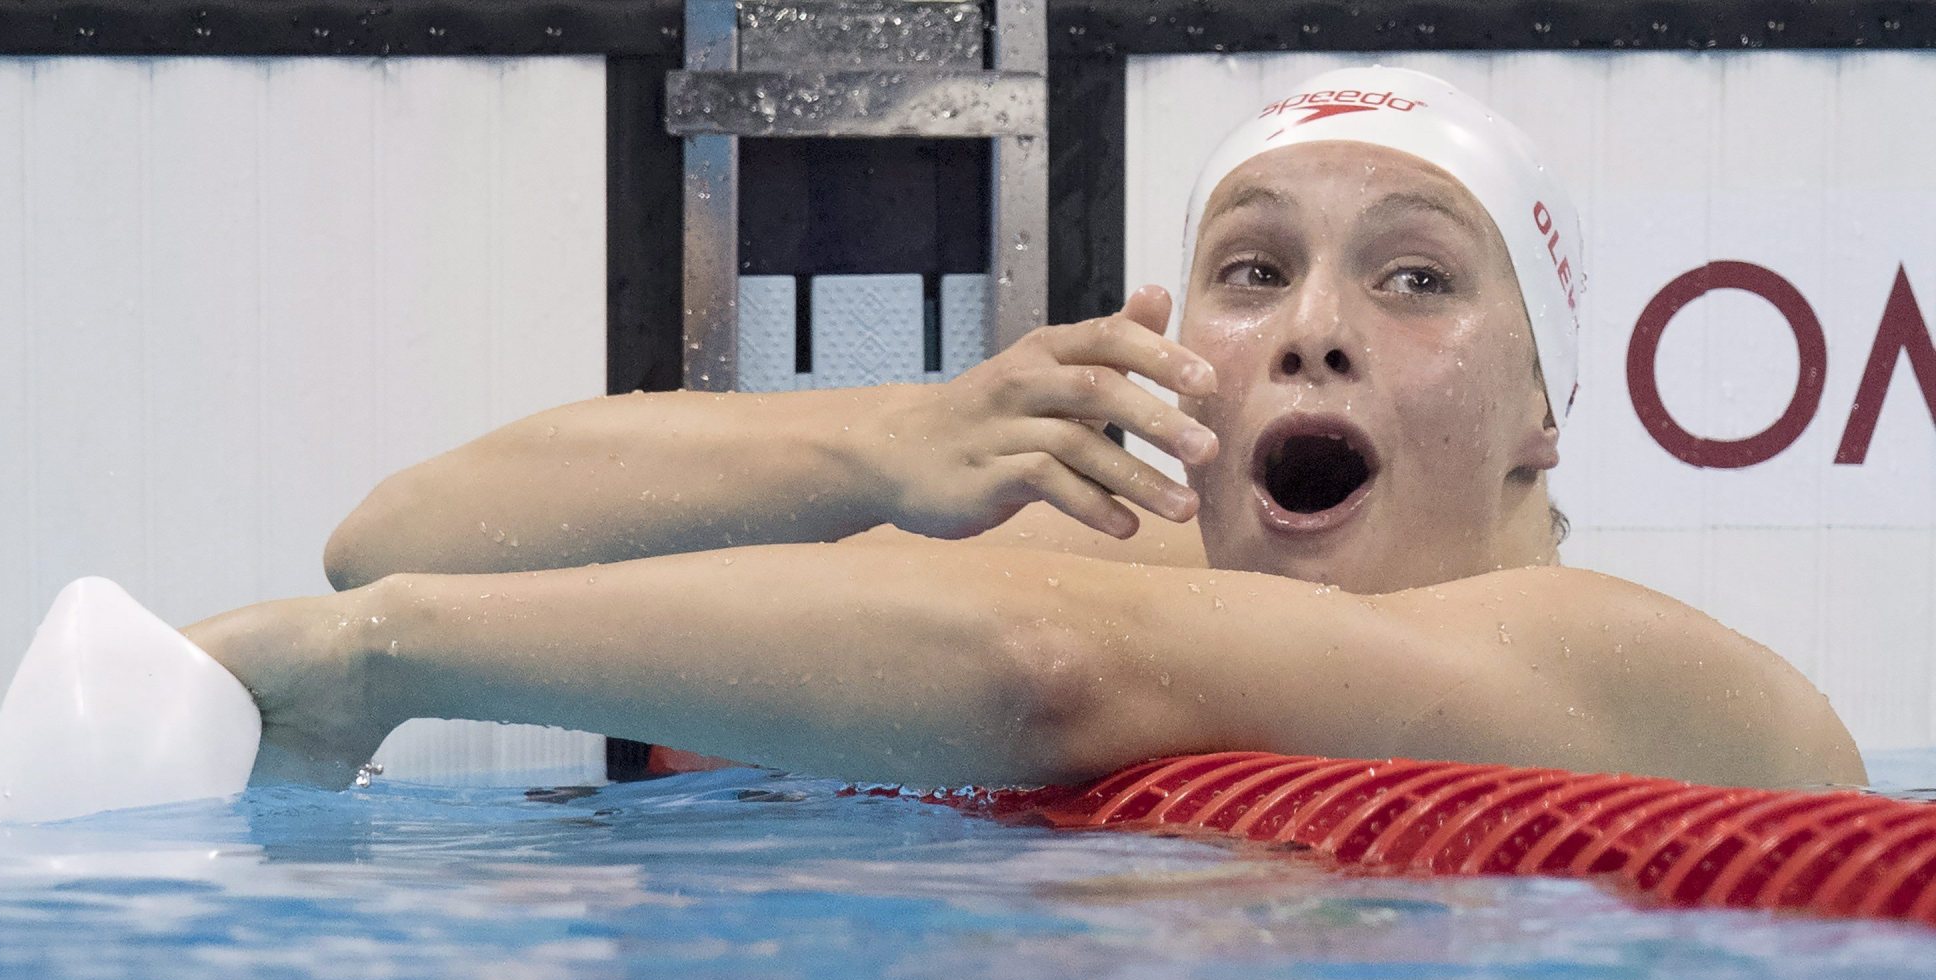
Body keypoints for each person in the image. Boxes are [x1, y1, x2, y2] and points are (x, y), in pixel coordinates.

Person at [185, 66, 1865, 792]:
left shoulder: (1639, 672)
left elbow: (1046, 672)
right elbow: (398, 533)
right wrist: (888, 443)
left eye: (1415, 280)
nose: (1315, 330)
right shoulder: (1107, 555)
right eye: (1252, 271)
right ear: (1176, 352)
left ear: (1542, 417)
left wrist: (378, 663)